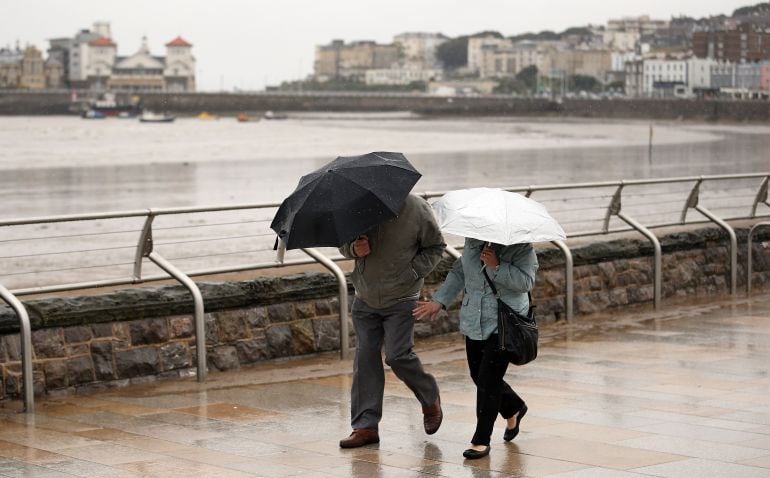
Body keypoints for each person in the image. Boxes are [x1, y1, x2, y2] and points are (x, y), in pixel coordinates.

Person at [337, 193, 447, 448]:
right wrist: (354, 248)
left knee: (398, 356)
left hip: (402, 296)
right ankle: (365, 426)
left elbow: (435, 247)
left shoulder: (417, 207)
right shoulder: (357, 207)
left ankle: (430, 397)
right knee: (365, 360)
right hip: (365, 297)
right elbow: (343, 243)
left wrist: (412, 272)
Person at [413, 238, 538, 459]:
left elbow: (526, 282)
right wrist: (439, 301)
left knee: (488, 382)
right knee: (478, 376)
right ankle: (514, 407)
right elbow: (460, 272)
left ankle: (481, 440)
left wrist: (498, 265)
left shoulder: (521, 247)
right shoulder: (473, 242)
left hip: (503, 324)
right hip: (474, 320)